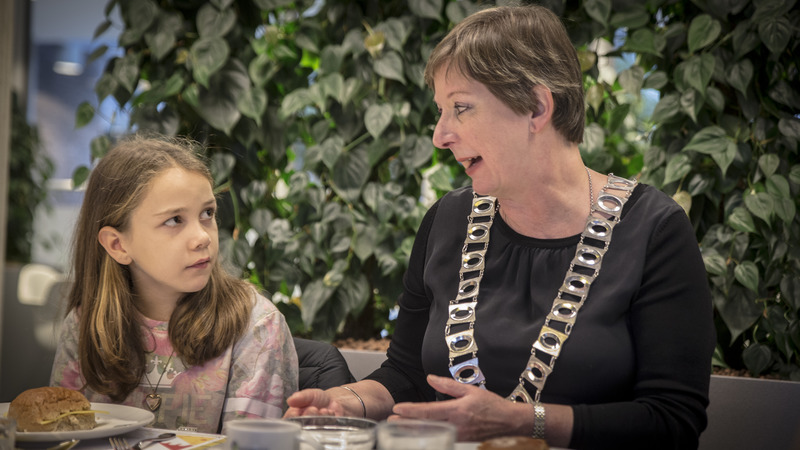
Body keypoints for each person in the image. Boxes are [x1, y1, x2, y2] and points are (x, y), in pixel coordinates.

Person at [284, 4, 714, 449]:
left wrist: (523, 421)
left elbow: (672, 421)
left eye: (461, 107)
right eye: (440, 110)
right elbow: (407, 374)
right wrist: (347, 402)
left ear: (536, 106)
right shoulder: (446, 220)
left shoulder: (655, 230)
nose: (440, 135)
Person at [50, 135, 298, 433]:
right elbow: (61, 437)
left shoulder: (256, 327)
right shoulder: (82, 326)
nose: (203, 237)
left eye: (207, 213)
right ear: (117, 245)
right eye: (174, 220)